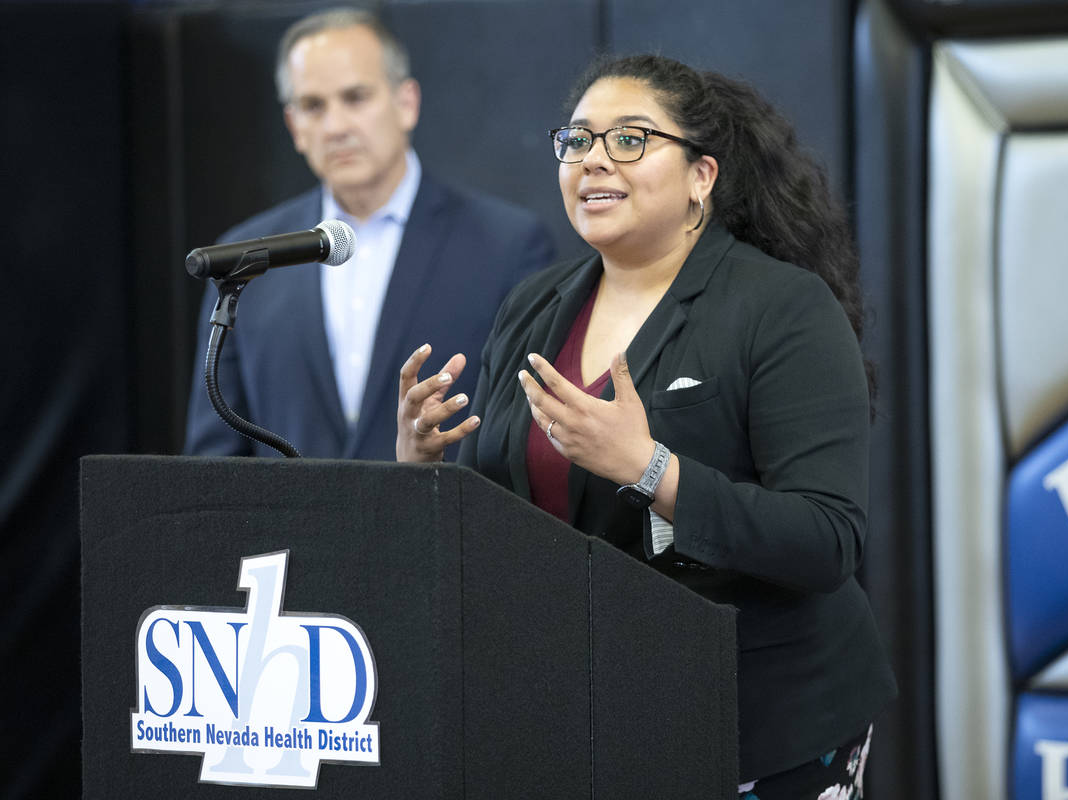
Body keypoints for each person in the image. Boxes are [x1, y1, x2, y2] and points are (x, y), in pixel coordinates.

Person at [396, 55, 896, 799]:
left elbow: (827, 540)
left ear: (702, 177)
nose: (594, 158)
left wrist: (651, 470)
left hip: (759, 720)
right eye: (578, 140)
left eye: (630, 139)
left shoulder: (783, 308)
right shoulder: (535, 304)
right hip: (584, 718)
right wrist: (423, 469)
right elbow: (510, 521)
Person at [184, 7, 553, 460]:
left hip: (442, 524)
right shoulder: (247, 258)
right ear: (294, 127)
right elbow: (214, 459)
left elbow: (526, 442)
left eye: (355, 97)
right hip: (286, 529)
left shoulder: (506, 246)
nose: (336, 126)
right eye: (314, 106)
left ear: (407, 103)